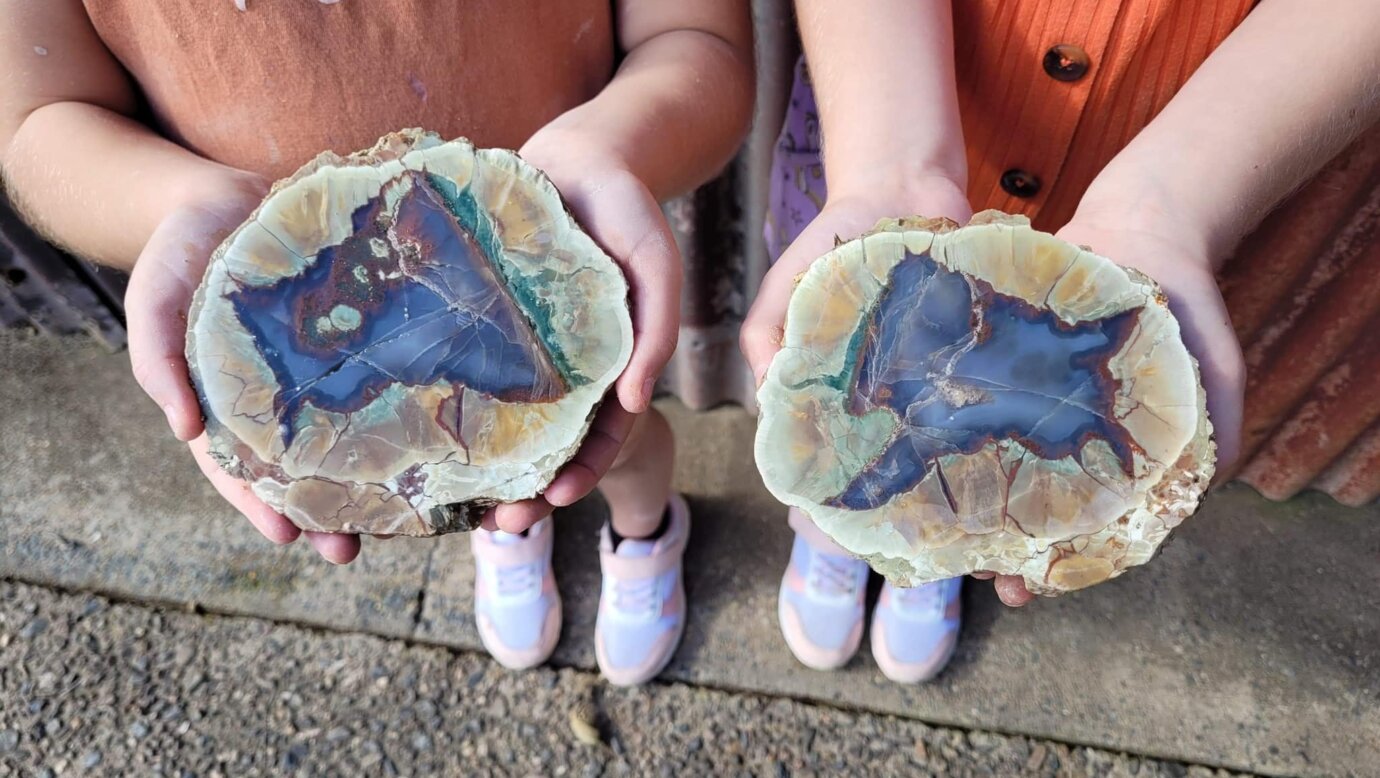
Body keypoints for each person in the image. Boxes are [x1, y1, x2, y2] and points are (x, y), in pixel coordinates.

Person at [0, 0, 754, 686]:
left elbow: (694, 37)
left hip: (549, 279)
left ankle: (643, 526)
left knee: (617, 444)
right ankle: (505, 529)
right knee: (480, 474)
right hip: (298, 335)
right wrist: (177, 203)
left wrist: (612, 145)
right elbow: (37, 118)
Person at [742, 0, 1380, 681]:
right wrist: (886, 168)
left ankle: (930, 550)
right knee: (857, 416)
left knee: (943, 447)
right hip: (885, 99)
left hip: (1193, 144)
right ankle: (847, 527)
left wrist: (1172, 204)